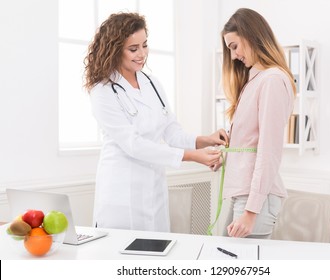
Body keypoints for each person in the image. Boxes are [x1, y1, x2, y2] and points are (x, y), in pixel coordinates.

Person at [83, 12, 228, 231]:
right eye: (133, 49)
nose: (142, 54)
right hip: (121, 190)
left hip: (154, 187)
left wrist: (205, 140)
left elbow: (171, 131)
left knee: (156, 250)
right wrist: (192, 156)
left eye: (145, 45)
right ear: (114, 50)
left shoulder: (151, 83)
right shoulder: (103, 91)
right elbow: (133, 144)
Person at [218, 8, 295, 238]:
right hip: (246, 194)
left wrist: (252, 211)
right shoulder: (256, 80)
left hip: (255, 201)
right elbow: (251, 145)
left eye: (234, 46)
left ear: (251, 36)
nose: (233, 56)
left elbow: (269, 151)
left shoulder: (272, 80)